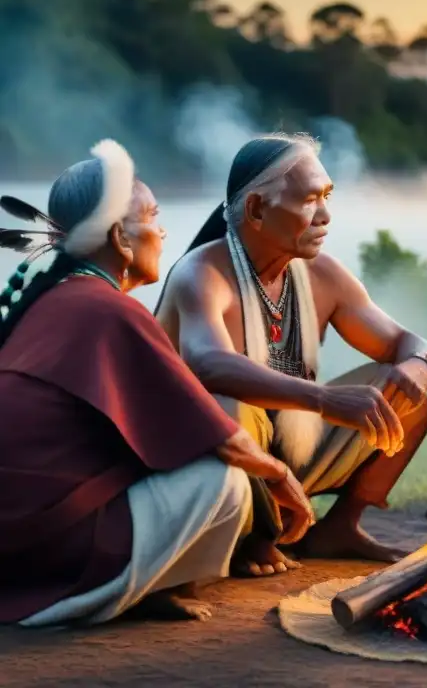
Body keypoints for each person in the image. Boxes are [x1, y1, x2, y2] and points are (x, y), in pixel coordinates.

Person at [0, 140, 314, 627]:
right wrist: (282, 477)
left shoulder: (46, 301)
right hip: (57, 551)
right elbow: (223, 440)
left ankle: (147, 589)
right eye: (152, 216)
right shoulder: (109, 310)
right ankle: (134, 589)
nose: (163, 231)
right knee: (226, 478)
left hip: (16, 549)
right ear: (121, 241)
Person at [155, 133, 427, 572]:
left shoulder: (322, 275)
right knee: (231, 405)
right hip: (196, 463)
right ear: (255, 209)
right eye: (309, 200)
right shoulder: (201, 273)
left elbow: (409, 343)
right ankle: (250, 534)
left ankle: (336, 529)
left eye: (327, 196)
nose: (325, 215)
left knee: (406, 401)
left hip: (287, 454)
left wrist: (418, 368)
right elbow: (208, 364)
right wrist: (323, 399)